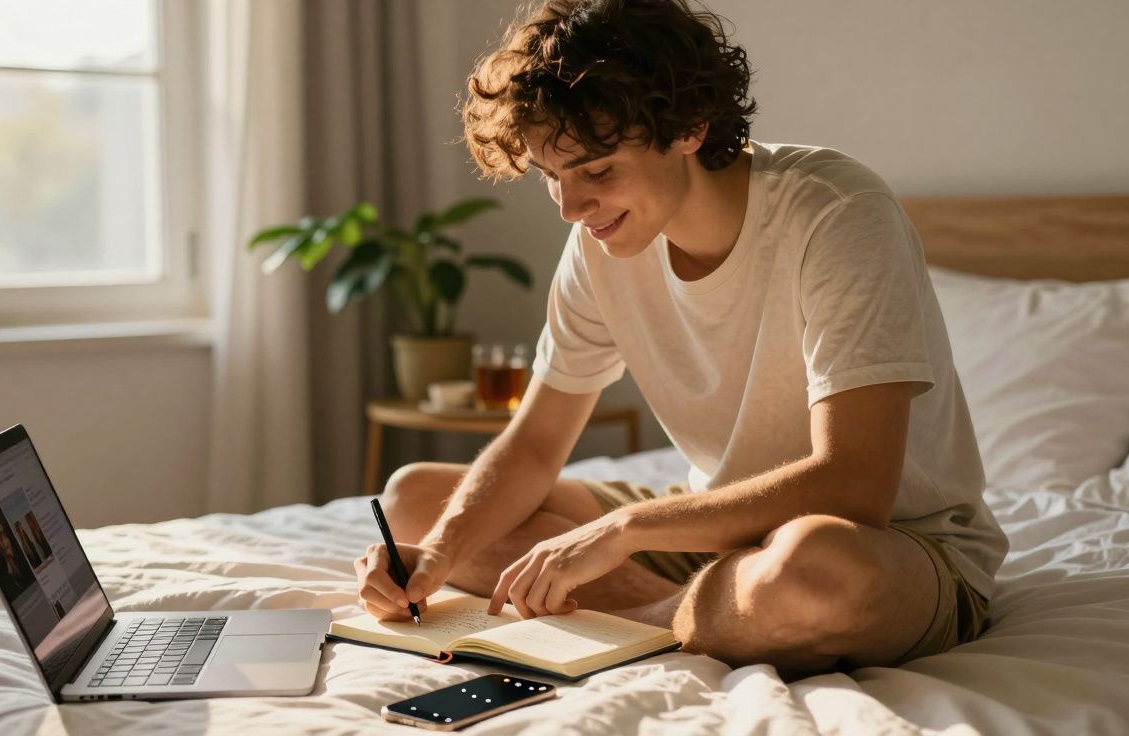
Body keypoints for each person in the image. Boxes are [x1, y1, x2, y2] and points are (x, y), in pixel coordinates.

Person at [355, 0, 1008, 679]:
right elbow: (536, 444)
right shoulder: (599, 246)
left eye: (598, 171)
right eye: (554, 178)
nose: (573, 210)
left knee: (813, 571)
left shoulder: (837, 215)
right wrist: (436, 553)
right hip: (715, 532)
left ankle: (652, 626)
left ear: (691, 126)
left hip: (888, 541)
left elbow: (855, 485)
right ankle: (700, 616)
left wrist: (626, 531)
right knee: (417, 500)